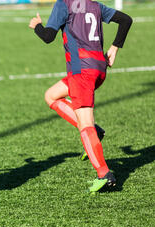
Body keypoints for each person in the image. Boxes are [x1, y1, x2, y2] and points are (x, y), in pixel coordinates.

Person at [29, 0, 132, 193]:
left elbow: (48, 37)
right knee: (51, 96)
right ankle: (96, 132)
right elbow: (126, 20)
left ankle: (104, 174)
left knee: (85, 125)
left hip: (82, 73)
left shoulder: (64, 4)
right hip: (98, 69)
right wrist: (114, 48)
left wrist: (37, 26)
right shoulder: (94, 5)